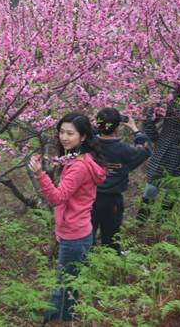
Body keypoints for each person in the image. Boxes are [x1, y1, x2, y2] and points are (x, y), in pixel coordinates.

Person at [28, 113, 106, 324]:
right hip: (76, 230)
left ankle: (54, 320)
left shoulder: (79, 165)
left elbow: (57, 197)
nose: (64, 137)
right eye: (61, 132)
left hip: (75, 234)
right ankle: (60, 319)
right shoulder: (80, 158)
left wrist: (39, 175)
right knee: (68, 282)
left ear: (83, 137)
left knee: (64, 285)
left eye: (70, 133)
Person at [137, 91, 180, 220]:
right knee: (152, 186)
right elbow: (147, 119)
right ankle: (140, 224)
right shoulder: (171, 99)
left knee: (174, 190)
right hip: (165, 150)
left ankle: (161, 225)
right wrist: (156, 139)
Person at [93, 108, 152, 252]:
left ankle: (87, 262)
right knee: (111, 235)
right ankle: (111, 261)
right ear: (118, 126)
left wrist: (95, 128)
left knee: (88, 232)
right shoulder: (124, 149)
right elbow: (146, 150)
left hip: (89, 197)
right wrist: (135, 129)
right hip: (112, 199)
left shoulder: (90, 146)